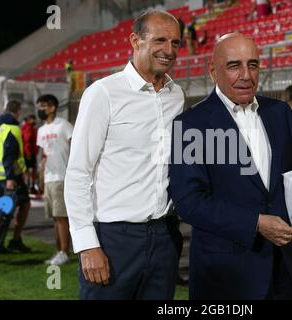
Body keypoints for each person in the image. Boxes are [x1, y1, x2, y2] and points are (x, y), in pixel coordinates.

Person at [169, 33, 292, 300]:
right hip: (226, 276)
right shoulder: (191, 124)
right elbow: (189, 202)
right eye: (233, 66)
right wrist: (255, 223)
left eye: (253, 65)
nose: (246, 75)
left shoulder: (280, 112)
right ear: (213, 71)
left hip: (283, 270)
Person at [64, 10, 184, 299]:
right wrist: (87, 244)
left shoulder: (176, 95)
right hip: (113, 238)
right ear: (135, 40)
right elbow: (79, 172)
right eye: (160, 40)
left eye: (176, 43)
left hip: (164, 235)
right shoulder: (102, 93)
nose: (169, 50)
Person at [0, 100, 31, 252]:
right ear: (18, 110)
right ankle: (14, 240)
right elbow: (9, 155)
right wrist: (11, 178)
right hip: (10, 177)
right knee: (23, 205)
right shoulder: (13, 129)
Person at [36, 94, 73, 266]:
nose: (40, 109)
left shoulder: (63, 125)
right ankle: (59, 251)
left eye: (43, 106)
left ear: (52, 107)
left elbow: (75, 147)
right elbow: (44, 156)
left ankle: (65, 251)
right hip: (49, 178)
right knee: (54, 217)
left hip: (62, 176)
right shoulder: (41, 130)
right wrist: (41, 177)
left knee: (61, 216)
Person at [21, 114, 38, 194]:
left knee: (28, 170)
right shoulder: (29, 128)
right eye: (33, 119)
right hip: (29, 153)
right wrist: (28, 153)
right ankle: (30, 186)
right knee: (31, 170)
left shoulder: (28, 128)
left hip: (29, 152)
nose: (34, 121)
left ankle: (29, 185)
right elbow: (27, 141)